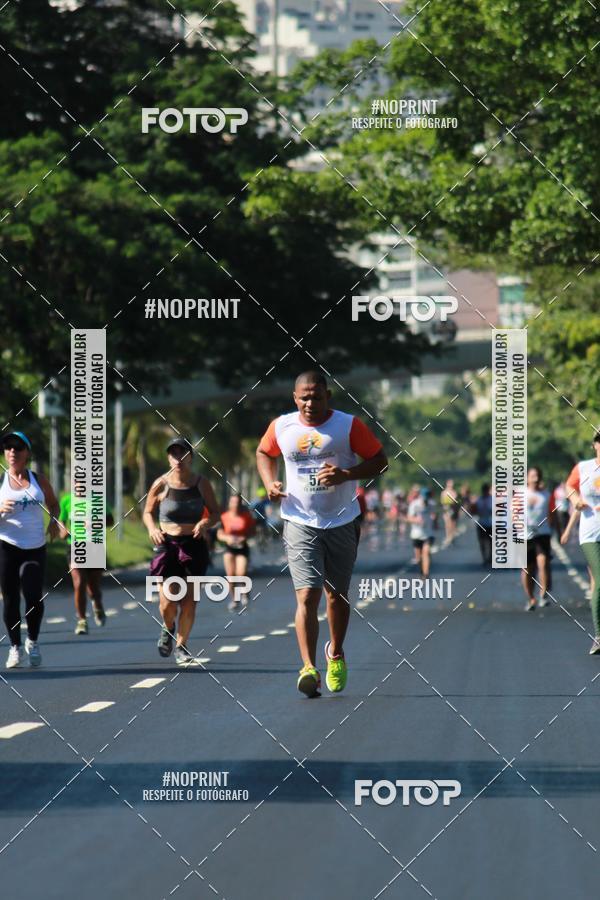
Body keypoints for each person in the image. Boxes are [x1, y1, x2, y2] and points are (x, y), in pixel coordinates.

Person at [256, 371, 388, 698]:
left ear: (327, 395)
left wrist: (347, 474)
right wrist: (269, 482)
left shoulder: (348, 426)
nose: (310, 403)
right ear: (294, 397)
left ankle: (336, 653)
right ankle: (308, 668)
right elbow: (263, 453)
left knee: (336, 596)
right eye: (304, 397)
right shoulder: (282, 427)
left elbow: (380, 461)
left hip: (341, 520)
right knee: (307, 595)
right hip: (299, 520)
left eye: (316, 396)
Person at [142, 437, 220, 666]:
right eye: (173, 454)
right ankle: (168, 628)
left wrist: (205, 524)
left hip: (194, 544)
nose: (178, 459)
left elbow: (215, 513)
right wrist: (152, 528)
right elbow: (148, 512)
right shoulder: (161, 483)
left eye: (183, 453)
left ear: (191, 457)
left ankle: (182, 646)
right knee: (167, 601)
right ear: (169, 458)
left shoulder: (201, 483)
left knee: (189, 601)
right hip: (167, 545)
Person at [0, 431, 60, 668]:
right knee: (11, 598)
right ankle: (15, 647)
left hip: (35, 547)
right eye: (8, 448)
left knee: (34, 594)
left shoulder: (39, 480)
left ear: (27, 453)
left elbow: (53, 504)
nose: (12, 452)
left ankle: (32, 642)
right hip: (7, 546)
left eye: (18, 448)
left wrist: (54, 521)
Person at [58, 491, 111, 634]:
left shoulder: (97, 499)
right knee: (79, 581)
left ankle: (97, 604)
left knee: (93, 587)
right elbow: (61, 520)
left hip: (95, 546)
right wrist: (63, 530)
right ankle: (82, 620)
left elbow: (110, 520)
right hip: (75, 546)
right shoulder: (67, 500)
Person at [566, 433, 600, 653]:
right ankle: (599, 636)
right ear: (595, 445)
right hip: (590, 533)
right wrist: (576, 500)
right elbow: (570, 486)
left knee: (596, 583)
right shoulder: (584, 467)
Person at [522, 466, 555, 611]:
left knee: (543, 563)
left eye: (537, 475)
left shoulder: (547, 495)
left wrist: (556, 530)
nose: (535, 477)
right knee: (527, 569)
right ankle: (530, 598)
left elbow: (551, 514)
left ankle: (543, 595)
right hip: (524, 535)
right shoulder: (520, 495)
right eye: (532, 475)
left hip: (542, 533)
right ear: (527, 478)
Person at [217, 494, 256, 611]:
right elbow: (219, 534)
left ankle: (244, 593)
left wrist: (244, 537)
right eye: (233, 502)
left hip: (242, 548)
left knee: (241, 573)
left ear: (240, 504)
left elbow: (253, 531)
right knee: (231, 576)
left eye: (237, 502)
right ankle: (234, 599)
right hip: (229, 548)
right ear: (229, 504)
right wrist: (227, 538)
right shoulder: (224, 517)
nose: (235, 504)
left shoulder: (247, 516)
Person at [407, 487, 437, 576]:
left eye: (427, 497)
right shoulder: (414, 504)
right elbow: (409, 518)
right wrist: (416, 520)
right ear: (421, 496)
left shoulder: (432, 504)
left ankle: (426, 574)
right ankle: (421, 570)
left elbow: (434, 514)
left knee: (426, 552)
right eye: (425, 497)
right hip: (416, 533)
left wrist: (434, 520)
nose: (426, 500)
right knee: (418, 558)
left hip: (428, 533)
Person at [471, 483, 493, 566]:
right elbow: (474, 511)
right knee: (482, 542)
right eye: (484, 491)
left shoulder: (492, 499)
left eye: (486, 491)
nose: (485, 492)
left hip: (491, 523)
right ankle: (484, 558)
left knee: (491, 541)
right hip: (481, 523)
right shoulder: (478, 500)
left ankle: (490, 557)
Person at [440, 479, 459, 544]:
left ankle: (451, 536)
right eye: (450, 483)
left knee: (452, 524)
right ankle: (448, 536)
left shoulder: (454, 492)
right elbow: (442, 502)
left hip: (452, 510)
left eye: (452, 483)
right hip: (446, 509)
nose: (451, 485)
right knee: (447, 524)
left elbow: (455, 502)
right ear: (447, 484)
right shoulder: (444, 492)